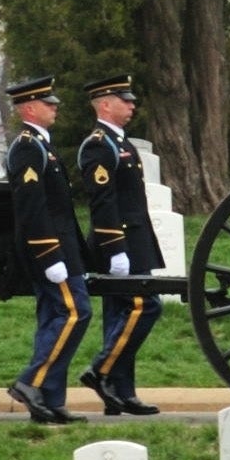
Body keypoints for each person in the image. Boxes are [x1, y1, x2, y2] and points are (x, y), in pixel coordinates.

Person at [0, 77, 88, 425]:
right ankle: (30, 383)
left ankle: (50, 400)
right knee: (74, 312)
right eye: (48, 103)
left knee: (55, 317)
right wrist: (49, 255)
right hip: (50, 250)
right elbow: (31, 207)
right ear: (29, 108)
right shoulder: (27, 147)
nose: (55, 107)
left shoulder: (42, 146)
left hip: (62, 248)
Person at [75, 76, 163, 416]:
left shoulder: (118, 141)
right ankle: (101, 371)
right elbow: (103, 203)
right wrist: (115, 249)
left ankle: (120, 393)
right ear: (105, 104)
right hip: (120, 241)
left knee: (121, 316)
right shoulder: (99, 144)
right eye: (124, 100)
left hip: (134, 240)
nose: (132, 105)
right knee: (144, 307)